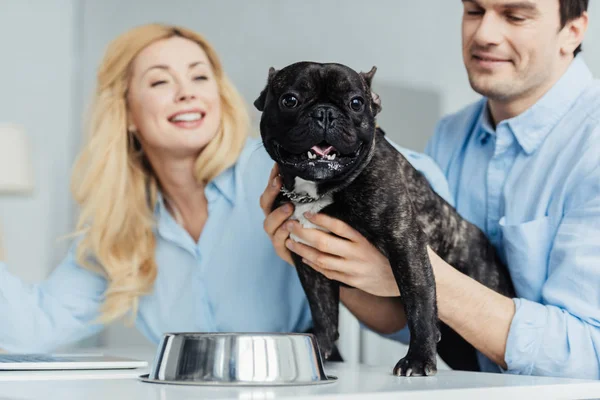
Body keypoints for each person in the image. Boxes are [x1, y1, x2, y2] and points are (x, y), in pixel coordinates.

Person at [261, 0, 600, 379]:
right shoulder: (452, 134)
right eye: (474, 11)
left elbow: (592, 354)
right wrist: (327, 256)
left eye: (515, 15)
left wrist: (412, 268)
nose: (484, 34)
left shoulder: (593, 144)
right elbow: (409, 318)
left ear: (572, 31)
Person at [0, 23, 318, 352]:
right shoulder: (119, 228)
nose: (186, 92)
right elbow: (31, 330)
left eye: (199, 77)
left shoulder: (275, 171)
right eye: (160, 81)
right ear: (127, 113)